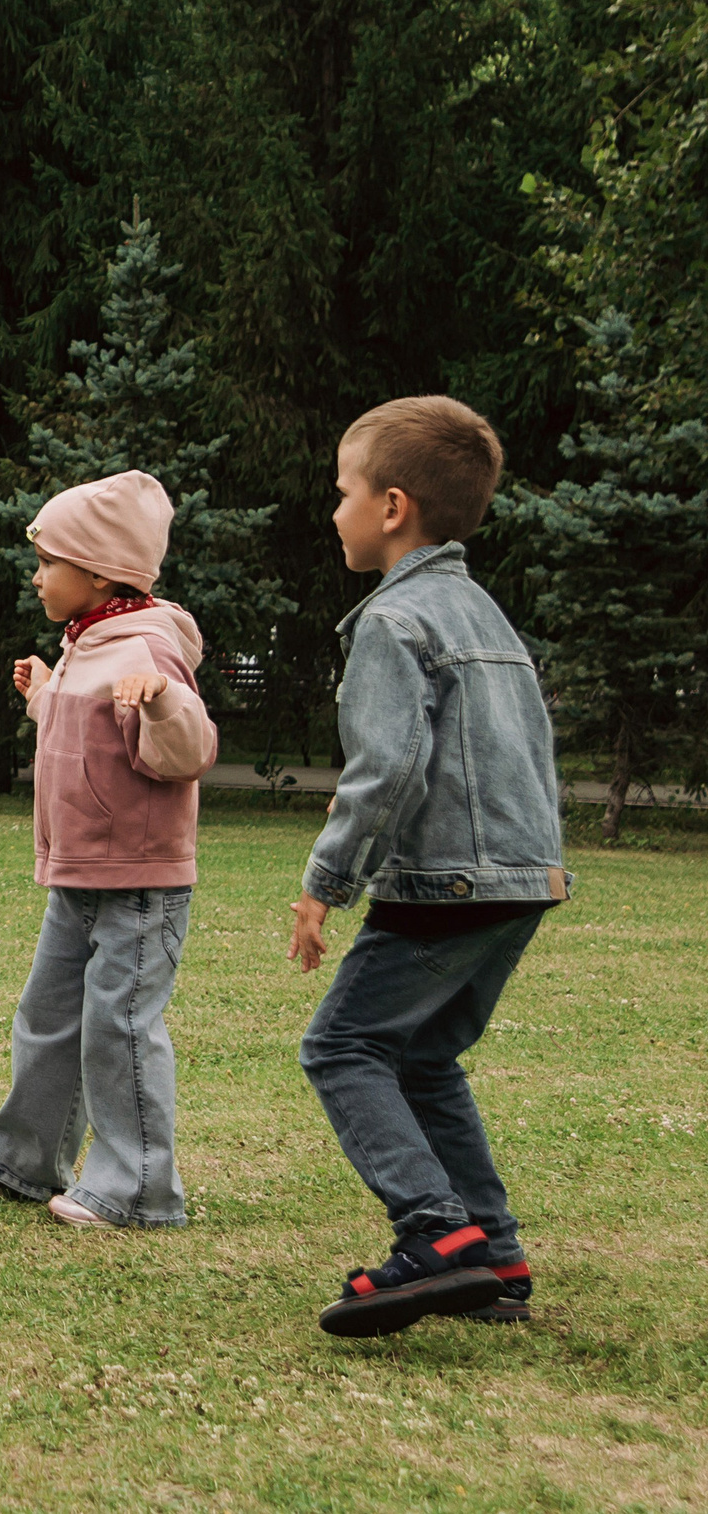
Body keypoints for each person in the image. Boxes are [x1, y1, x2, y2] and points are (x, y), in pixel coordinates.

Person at [287, 397, 570, 1338]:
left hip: (445, 880)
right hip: (521, 878)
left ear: (393, 506)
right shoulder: (482, 613)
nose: (334, 513)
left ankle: (435, 1234)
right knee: (424, 1057)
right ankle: (494, 1249)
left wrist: (327, 883)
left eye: (343, 493)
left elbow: (388, 769)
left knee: (343, 1047)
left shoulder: (395, 620)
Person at [0, 470, 218, 1229]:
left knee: (118, 1027)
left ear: (99, 572)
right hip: (80, 873)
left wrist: (164, 702)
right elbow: (89, 741)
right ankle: (22, 1161)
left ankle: (136, 1188)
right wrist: (42, 695)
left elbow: (185, 751)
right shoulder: (87, 642)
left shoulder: (150, 648)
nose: (35, 577)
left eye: (49, 562)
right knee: (49, 1015)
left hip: (138, 879)